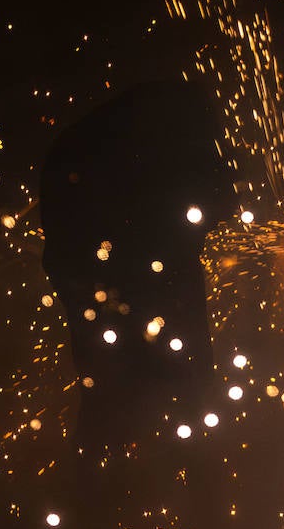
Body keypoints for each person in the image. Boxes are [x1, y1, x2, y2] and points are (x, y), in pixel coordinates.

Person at [39, 81, 235, 456]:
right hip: (119, 280)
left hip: (110, 279)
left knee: (118, 396)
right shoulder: (144, 155)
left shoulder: (102, 148)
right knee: (144, 396)